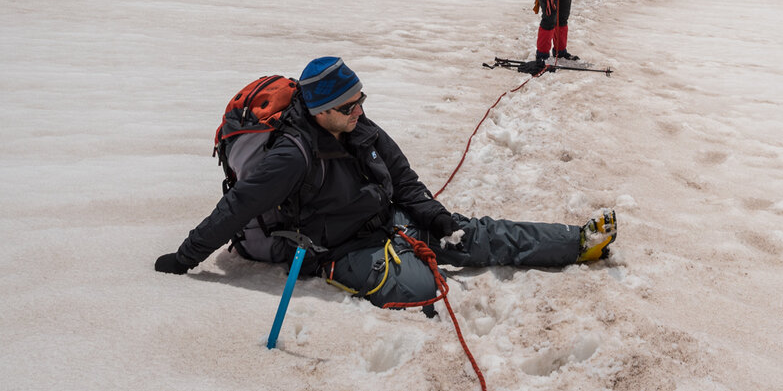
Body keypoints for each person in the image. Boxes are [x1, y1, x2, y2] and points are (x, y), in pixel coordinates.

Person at [155, 56, 617, 309]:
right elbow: (237, 207)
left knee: (467, 234)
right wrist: (185, 257)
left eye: (361, 100)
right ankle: (341, 272)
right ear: (321, 112)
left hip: (380, 220)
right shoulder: (292, 155)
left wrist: (436, 217)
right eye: (349, 106)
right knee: (421, 287)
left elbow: (405, 182)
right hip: (331, 247)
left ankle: (577, 242)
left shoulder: (361, 127)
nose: (360, 111)